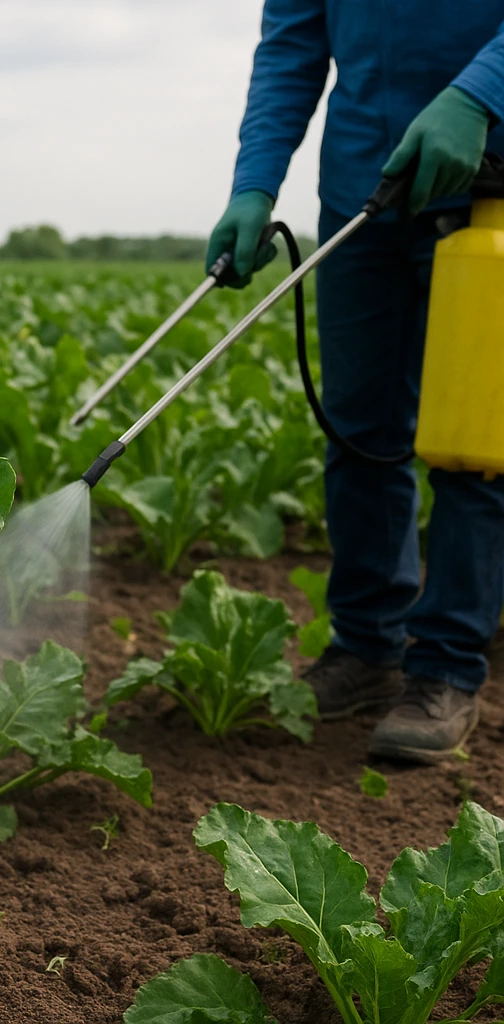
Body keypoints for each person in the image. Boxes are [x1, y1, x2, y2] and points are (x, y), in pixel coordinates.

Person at [205, 2, 504, 763]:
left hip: (490, 186)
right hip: (364, 194)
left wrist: (481, 94)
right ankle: (368, 649)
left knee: (475, 444)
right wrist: (254, 184)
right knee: (359, 432)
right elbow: (294, 44)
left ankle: (446, 671)